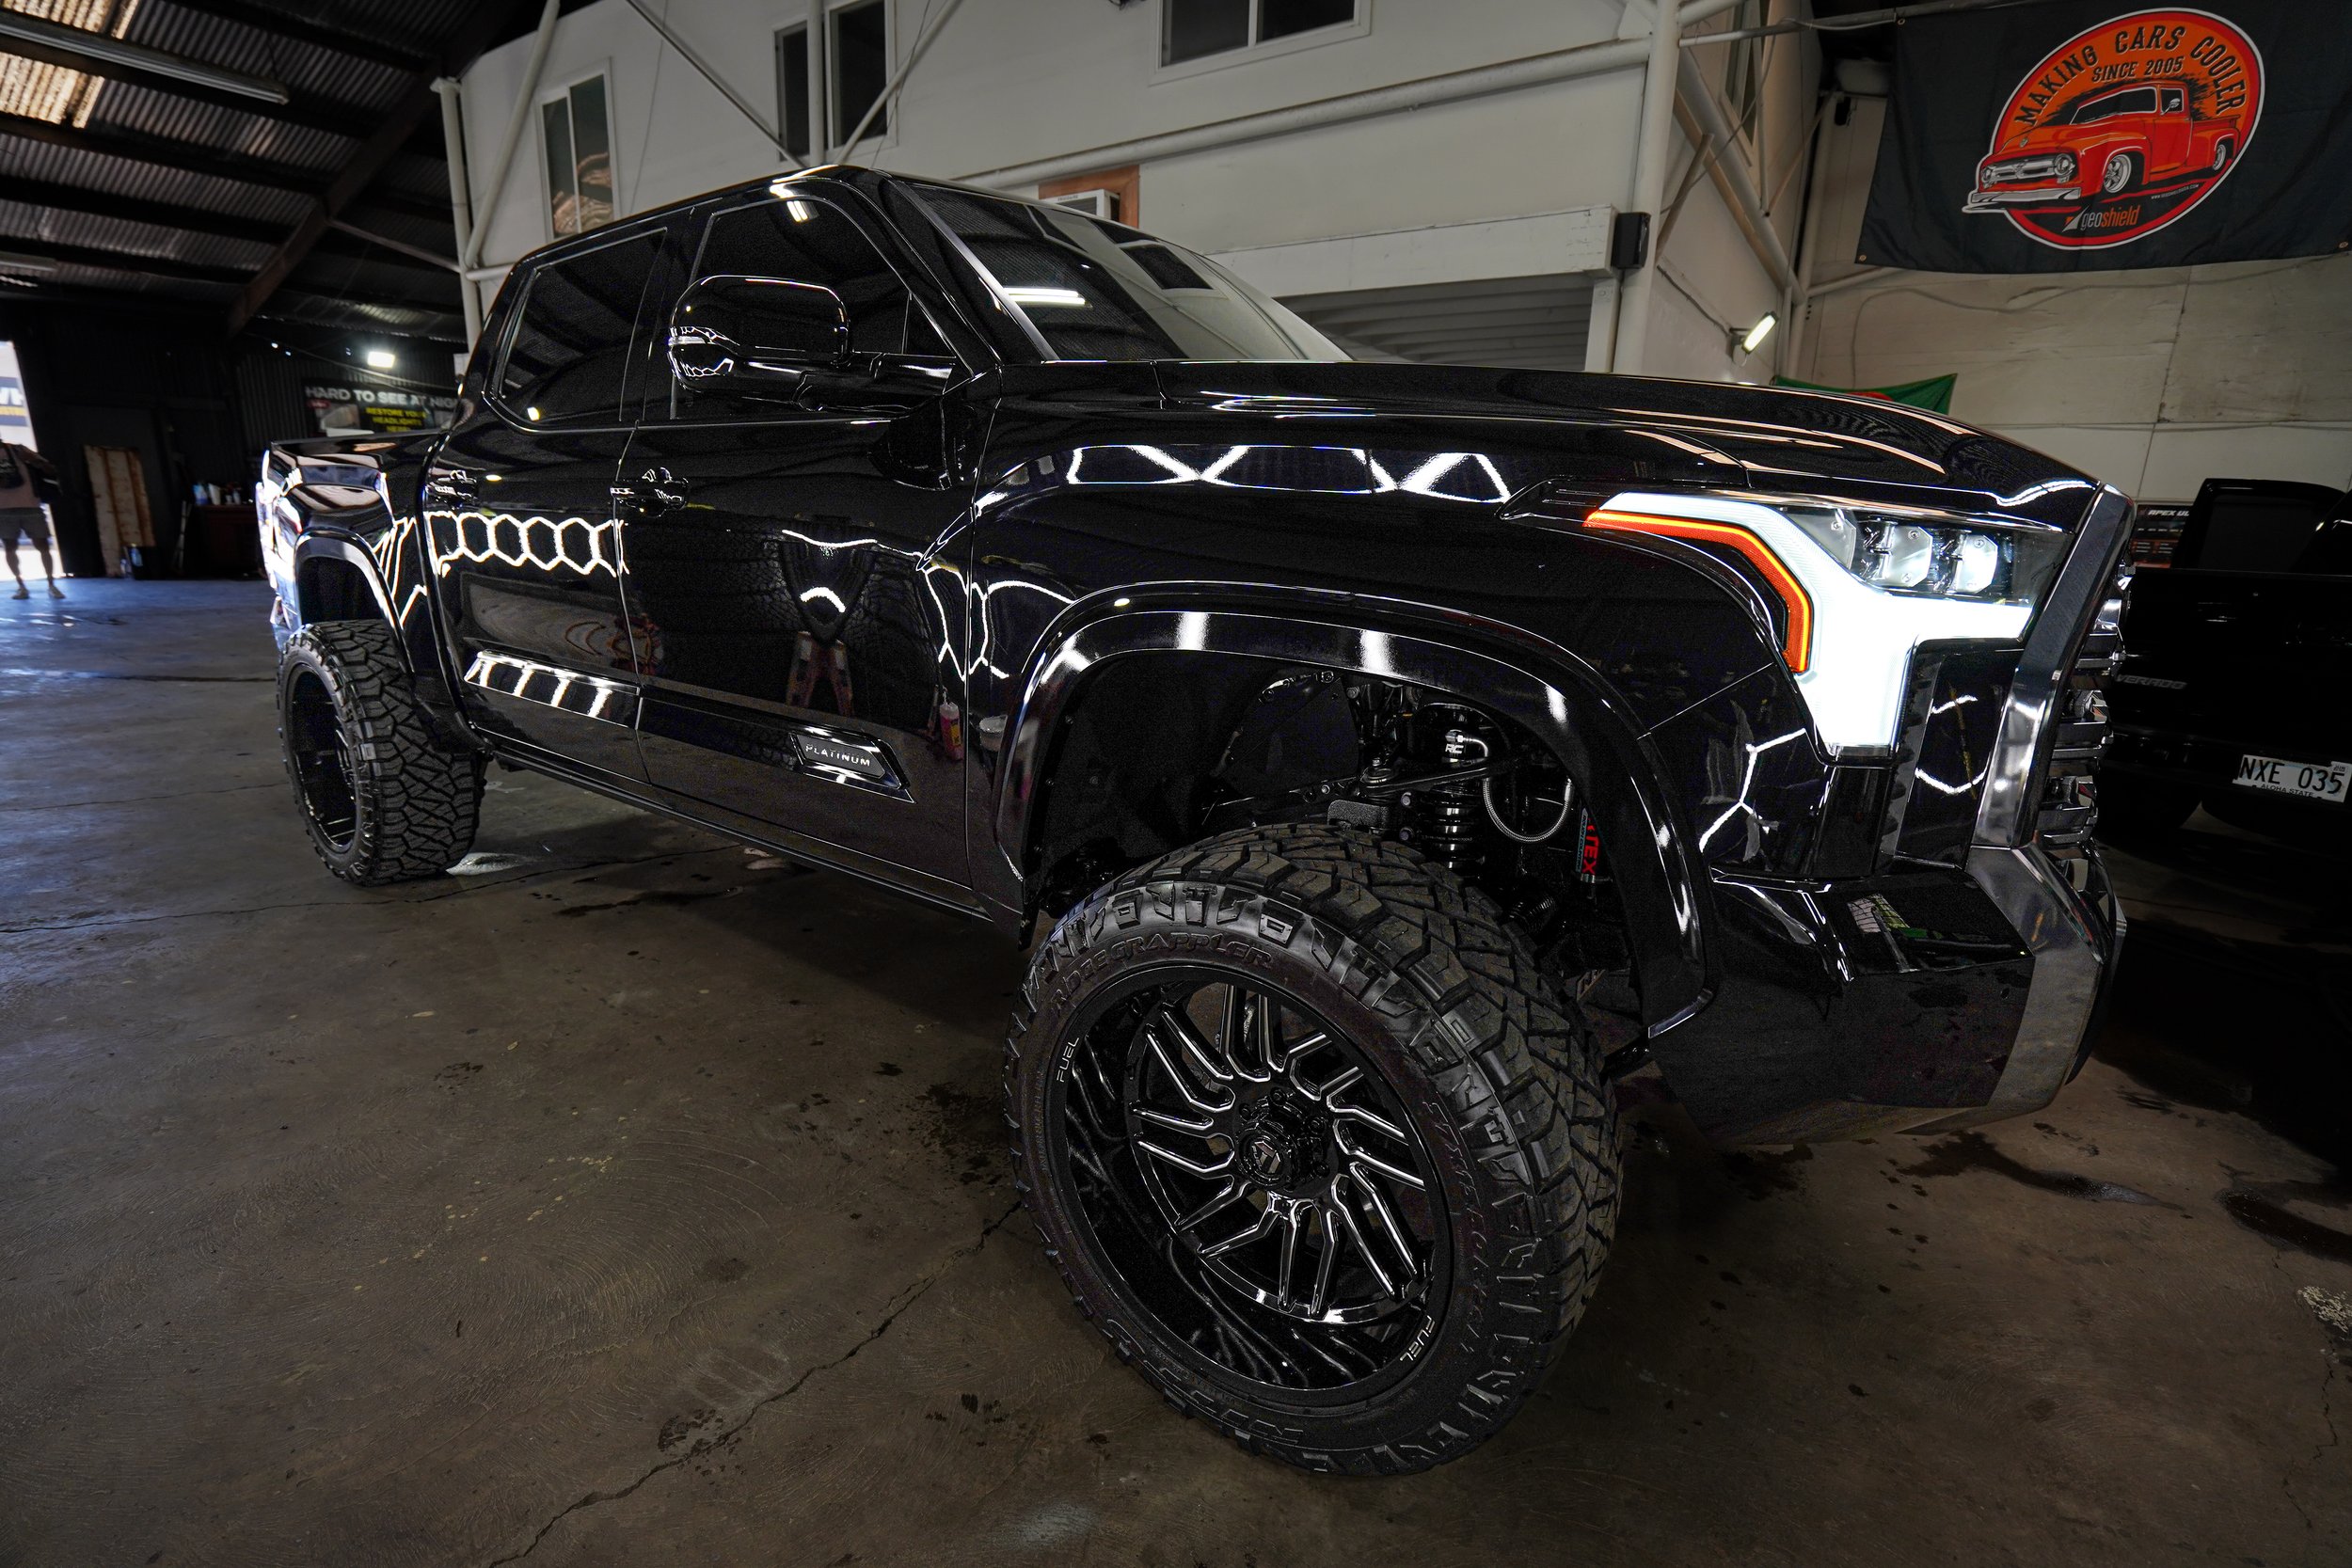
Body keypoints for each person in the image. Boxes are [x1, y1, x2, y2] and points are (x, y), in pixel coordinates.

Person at [0, 440, 62, 599]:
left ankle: (51, 584)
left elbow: (51, 470)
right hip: (3, 510)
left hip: (31, 506)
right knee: (10, 548)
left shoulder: (18, 449)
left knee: (42, 546)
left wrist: (34, 460)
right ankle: (21, 585)